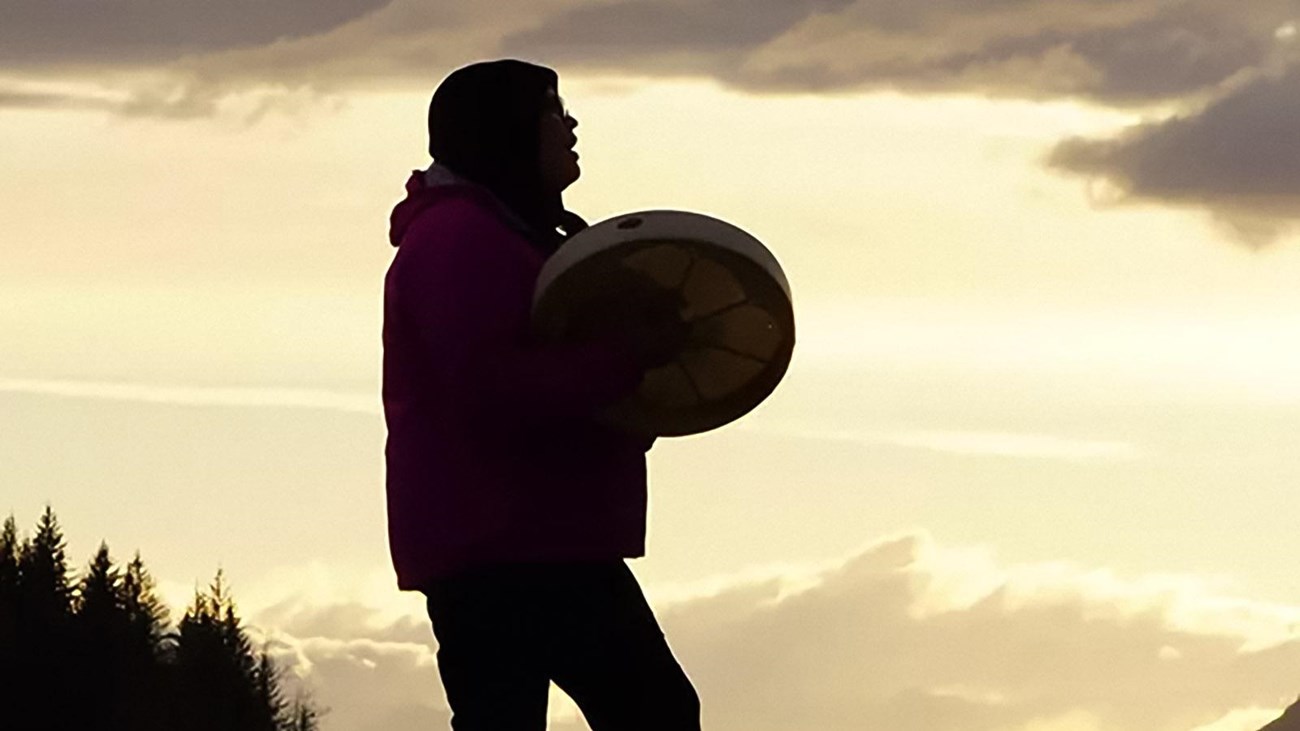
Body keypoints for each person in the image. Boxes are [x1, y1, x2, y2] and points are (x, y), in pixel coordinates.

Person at [382, 59, 701, 730]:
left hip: (528, 537)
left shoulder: (504, 232)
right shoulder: (460, 239)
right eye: (553, 110)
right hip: (505, 543)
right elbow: (488, 387)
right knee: (652, 712)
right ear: (507, 131)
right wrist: (628, 359)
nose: (570, 124)